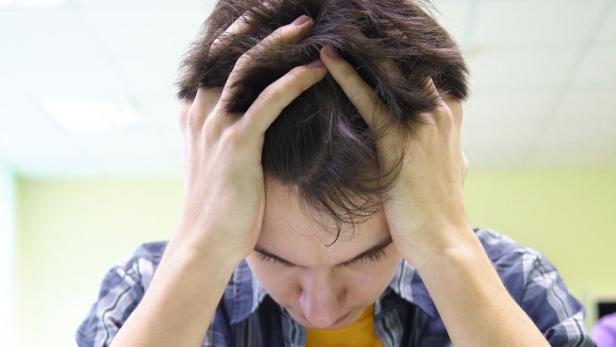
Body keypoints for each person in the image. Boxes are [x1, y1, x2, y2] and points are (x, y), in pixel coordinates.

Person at [76, 0, 596, 346]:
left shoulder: (518, 287)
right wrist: (200, 250)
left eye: (368, 253)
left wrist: (447, 249)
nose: (322, 309)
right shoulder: (144, 290)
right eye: (271, 255)